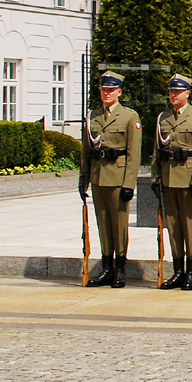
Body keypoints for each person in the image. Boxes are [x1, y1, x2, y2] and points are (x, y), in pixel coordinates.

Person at [79, 70, 141, 288]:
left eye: (111, 90)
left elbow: (134, 154)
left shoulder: (129, 117)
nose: (106, 93)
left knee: (119, 225)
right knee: (103, 224)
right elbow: (86, 149)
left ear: (119, 92)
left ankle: (120, 268)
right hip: (98, 178)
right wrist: (83, 177)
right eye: (103, 90)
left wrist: (129, 183)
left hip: (117, 177)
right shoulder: (93, 116)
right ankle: (107, 267)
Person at [153, 74, 192, 291]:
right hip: (168, 178)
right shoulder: (163, 118)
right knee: (173, 227)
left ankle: (190, 272)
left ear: (187, 93)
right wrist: (154, 177)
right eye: (171, 91)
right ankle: (177, 271)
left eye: (178, 92)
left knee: (189, 226)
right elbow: (157, 151)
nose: (174, 95)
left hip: (188, 180)